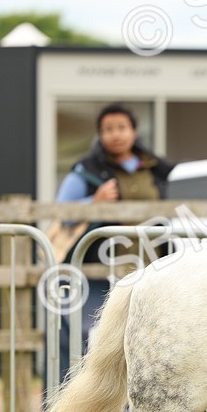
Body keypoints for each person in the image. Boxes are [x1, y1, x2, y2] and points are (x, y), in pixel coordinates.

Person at [53, 102, 174, 385]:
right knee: (96, 336)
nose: (115, 135)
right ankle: (85, 397)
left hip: (151, 267)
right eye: (108, 129)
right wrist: (94, 202)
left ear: (133, 131)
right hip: (100, 271)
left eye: (121, 128)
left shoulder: (156, 169)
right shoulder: (86, 172)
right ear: (99, 135)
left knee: (151, 337)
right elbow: (62, 214)